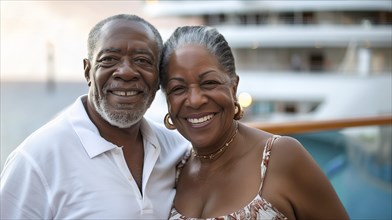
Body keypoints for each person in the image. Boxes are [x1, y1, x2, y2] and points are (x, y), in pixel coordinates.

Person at [0, 14, 190, 219]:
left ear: (158, 77)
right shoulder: (37, 159)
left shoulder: (178, 150)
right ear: (87, 71)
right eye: (109, 59)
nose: (126, 72)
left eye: (142, 60)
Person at [159, 26, 350, 219]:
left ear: (233, 88)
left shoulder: (280, 157)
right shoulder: (172, 171)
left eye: (209, 83)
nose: (195, 100)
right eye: (178, 88)